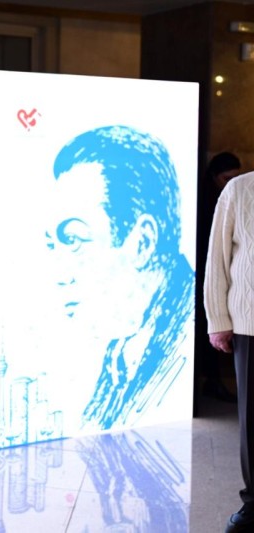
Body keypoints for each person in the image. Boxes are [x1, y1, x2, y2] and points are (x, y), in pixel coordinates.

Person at [45, 125, 194, 431]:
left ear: (143, 242)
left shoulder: (182, 348)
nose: (58, 274)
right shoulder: (123, 354)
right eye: (52, 245)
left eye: (74, 240)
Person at [205, 170, 254, 533]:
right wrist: (217, 319)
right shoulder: (240, 189)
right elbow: (217, 261)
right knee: (253, 421)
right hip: (250, 324)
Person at [196, 152, 241, 404]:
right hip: (203, 273)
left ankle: (213, 381)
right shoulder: (205, 202)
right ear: (214, 177)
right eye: (226, 179)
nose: (230, 184)